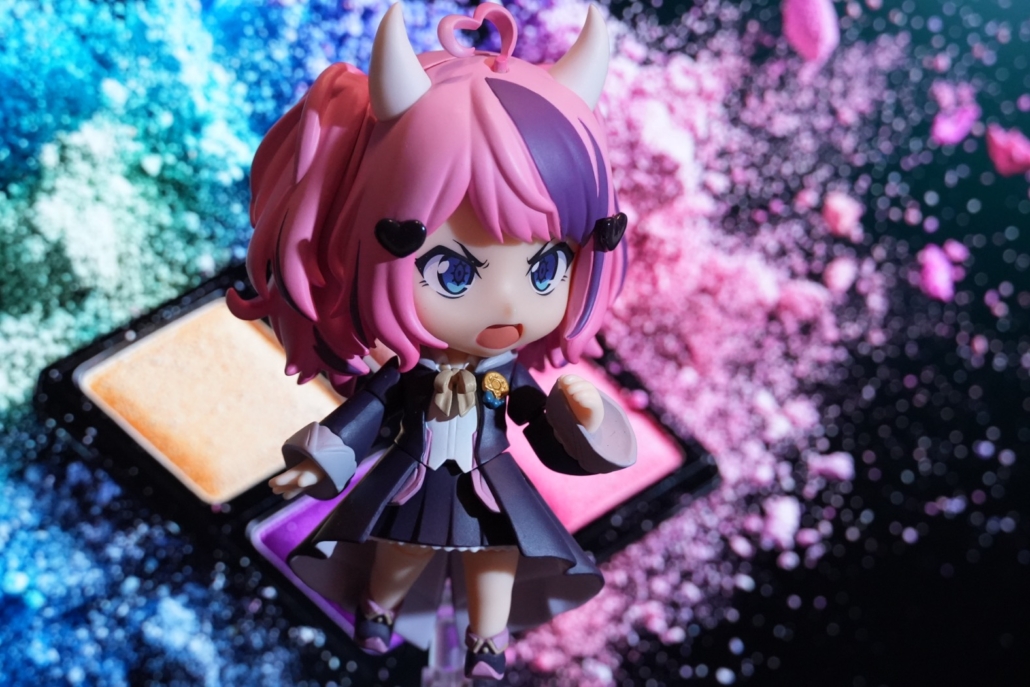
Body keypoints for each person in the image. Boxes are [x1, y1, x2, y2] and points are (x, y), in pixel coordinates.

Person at [228, 3, 635, 680]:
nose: (509, 305)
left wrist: (583, 423)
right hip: (415, 478)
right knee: (400, 552)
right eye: (451, 272)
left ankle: (487, 642)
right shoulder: (410, 372)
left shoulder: (506, 373)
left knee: (499, 559)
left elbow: (537, 425)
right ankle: (378, 611)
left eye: (545, 269)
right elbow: (366, 412)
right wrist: (318, 461)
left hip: (492, 482)